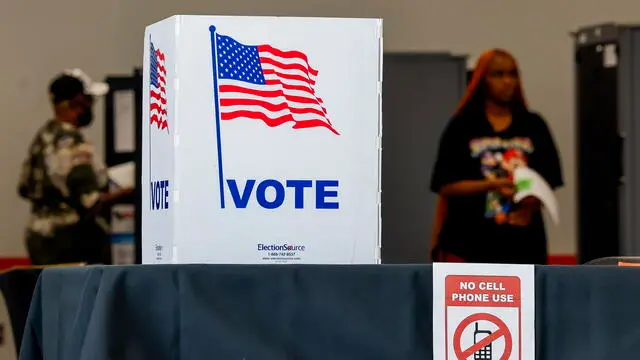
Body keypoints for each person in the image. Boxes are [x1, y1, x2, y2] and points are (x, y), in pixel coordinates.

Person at [429, 49, 563, 265]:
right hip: (470, 242)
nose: (507, 81)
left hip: (523, 244)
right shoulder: (463, 125)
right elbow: (444, 185)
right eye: (498, 75)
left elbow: (550, 179)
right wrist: (491, 186)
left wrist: (529, 206)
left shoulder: (532, 124)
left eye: (512, 74)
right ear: (482, 80)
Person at [18, 71, 131, 265]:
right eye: (88, 101)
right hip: (69, 240)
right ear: (76, 102)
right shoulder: (72, 141)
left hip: (39, 236)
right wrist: (132, 191)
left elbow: (24, 186)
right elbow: (90, 200)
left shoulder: (44, 137)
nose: (89, 107)